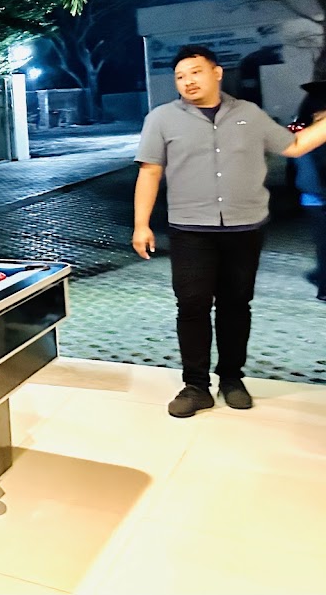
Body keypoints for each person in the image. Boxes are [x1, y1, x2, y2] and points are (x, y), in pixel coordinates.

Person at [132, 46, 326, 418]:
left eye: (195, 72)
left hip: (244, 227)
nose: (188, 81)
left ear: (216, 73)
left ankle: (232, 379)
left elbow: (294, 145)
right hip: (190, 230)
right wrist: (142, 225)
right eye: (180, 76)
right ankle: (195, 386)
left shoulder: (249, 114)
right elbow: (150, 171)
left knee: (236, 305)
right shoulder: (162, 119)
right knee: (192, 305)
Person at [290, 81, 326, 302]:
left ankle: (321, 280)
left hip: (311, 197)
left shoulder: (300, 129)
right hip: (318, 197)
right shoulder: (315, 134)